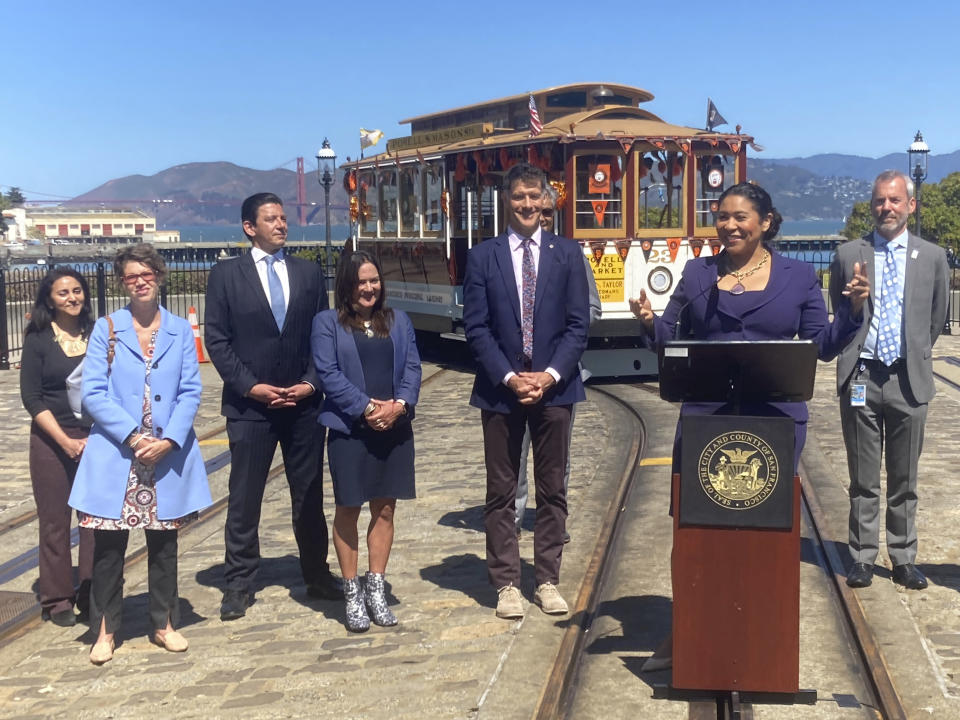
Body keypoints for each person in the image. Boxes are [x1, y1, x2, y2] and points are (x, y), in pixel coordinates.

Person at [629, 181, 869, 670]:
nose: (729, 225)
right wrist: (648, 320)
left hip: (775, 424)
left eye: (740, 217)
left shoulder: (799, 276)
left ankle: (762, 634)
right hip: (704, 422)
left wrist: (853, 310)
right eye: (722, 217)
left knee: (764, 534)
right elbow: (670, 338)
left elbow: (820, 346)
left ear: (764, 222)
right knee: (693, 529)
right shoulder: (697, 273)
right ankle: (688, 630)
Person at [69, 244, 212, 664]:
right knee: (109, 549)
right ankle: (105, 631)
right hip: (119, 453)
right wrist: (134, 437)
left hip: (165, 455)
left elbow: (190, 389)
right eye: (131, 276)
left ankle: (164, 623)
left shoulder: (179, 330)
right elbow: (93, 392)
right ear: (122, 282)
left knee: (164, 546)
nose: (140, 281)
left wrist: (169, 440)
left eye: (146, 273)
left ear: (160, 275)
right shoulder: (107, 328)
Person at [205, 192, 341, 622]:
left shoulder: (308, 273)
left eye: (284, 218)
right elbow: (217, 341)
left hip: (302, 407)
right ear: (250, 227)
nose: (282, 225)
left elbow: (324, 336)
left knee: (309, 496)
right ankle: (239, 584)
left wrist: (309, 384)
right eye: (271, 219)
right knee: (245, 497)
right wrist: (251, 387)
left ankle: (317, 575)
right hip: (251, 408)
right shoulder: (226, 275)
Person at [463, 162, 590, 620]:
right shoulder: (484, 257)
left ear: (546, 201)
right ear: (507, 201)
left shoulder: (568, 254)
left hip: (556, 391)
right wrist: (511, 377)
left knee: (552, 488)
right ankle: (507, 584)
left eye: (535, 197)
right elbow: (476, 328)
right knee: (500, 490)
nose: (528, 205)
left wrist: (550, 375)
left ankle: (548, 579)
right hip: (501, 393)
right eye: (519, 197)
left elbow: (579, 325)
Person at [829, 170, 950, 591]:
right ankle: (862, 557)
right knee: (862, 478)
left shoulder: (933, 258)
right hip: (862, 375)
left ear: (910, 206)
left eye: (895, 201)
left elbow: (936, 319)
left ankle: (902, 558)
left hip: (907, 379)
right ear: (872, 204)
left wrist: (912, 352)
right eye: (880, 200)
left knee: (905, 479)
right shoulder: (849, 255)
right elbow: (842, 318)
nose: (887, 208)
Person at [311, 251, 421, 632]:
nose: (369, 288)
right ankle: (352, 591)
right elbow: (328, 373)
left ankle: (377, 586)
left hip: (395, 428)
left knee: (386, 509)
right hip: (349, 429)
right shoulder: (327, 323)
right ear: (346, 285)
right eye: (361, 282)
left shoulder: (399, 320)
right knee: (349, 508)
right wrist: (368, 408)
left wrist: (399, 406)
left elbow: (412, 369)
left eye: (374, 280)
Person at [514, 184, 602, 541]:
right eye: (538, 209)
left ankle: (554, 525)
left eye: (549, 212)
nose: (542, 217)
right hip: (516, 377)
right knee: (512, 461)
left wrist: (560, 333)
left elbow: (592, 309)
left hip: (560, 377)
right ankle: (514, 523)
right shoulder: (505, 254)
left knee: (556, 463)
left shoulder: (570, 255)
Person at [20, 269, 96, 627]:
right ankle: (58, 597)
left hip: (96, 436)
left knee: (96, 519)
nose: (71, 297)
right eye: (63, 292)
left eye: (77, 290)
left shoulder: (98, 334)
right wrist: (65, 441)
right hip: (52, 438)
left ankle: (94, 589)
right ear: (50, 299)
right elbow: (32, 398)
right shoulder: (37, 338)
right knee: (55, 522)